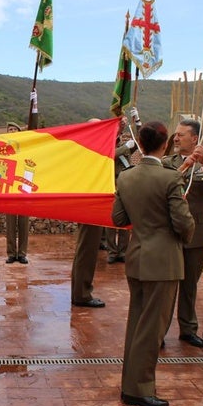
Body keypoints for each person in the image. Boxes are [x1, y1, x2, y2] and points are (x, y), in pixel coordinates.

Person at [112, 121, 195, 406]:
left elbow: (119, 219)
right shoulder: (170, 179)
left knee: (137, 323)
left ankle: (130, 384)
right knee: (153, 327)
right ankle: (139, 388)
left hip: (137, 257)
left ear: (142, 144)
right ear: (164, 144)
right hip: (164, 261)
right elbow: (183, 222)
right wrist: (187, 232)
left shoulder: (126, 177)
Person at [162, 118, 203, 347]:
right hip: (171, 231)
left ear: (195, 139)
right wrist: (186, 165)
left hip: (199, 232)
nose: (176, 138)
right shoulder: (167, 162)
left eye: (181, 134)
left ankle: (188, 329)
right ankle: (159, 331)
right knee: (167, 283)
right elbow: (163, 187)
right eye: (175, 134)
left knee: (190, 284)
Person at [70, 118, 136, 308]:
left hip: (92, 202)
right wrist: (124, 144)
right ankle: (81, 294)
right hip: (90, 203)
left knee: (87, 249)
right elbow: (107, 155)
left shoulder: (90, 145)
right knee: (86, 249)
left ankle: (81, 291)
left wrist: (118, 128)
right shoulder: (88, 148)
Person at [105, 118, 136, 263]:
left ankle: (123, 251)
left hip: (126, 185)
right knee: (111, 221)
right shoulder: (107, 142)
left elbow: (138, 142)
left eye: (123, 125)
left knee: (125, 219)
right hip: (111, 184)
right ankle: (112, 251)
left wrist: (137, 122)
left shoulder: (126, 145)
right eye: (119, 125)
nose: (121, 128)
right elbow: (110, 155)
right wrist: (125, 148)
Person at [4, 122, 29, 264]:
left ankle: (23, 253)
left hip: (23, 189)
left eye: (14, 129)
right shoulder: (4, 149)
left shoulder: (25, 147)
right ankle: (11, 253)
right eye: (10, 129)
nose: (12, 131)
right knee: (11, 224)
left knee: (24, 224)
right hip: (10, 189)